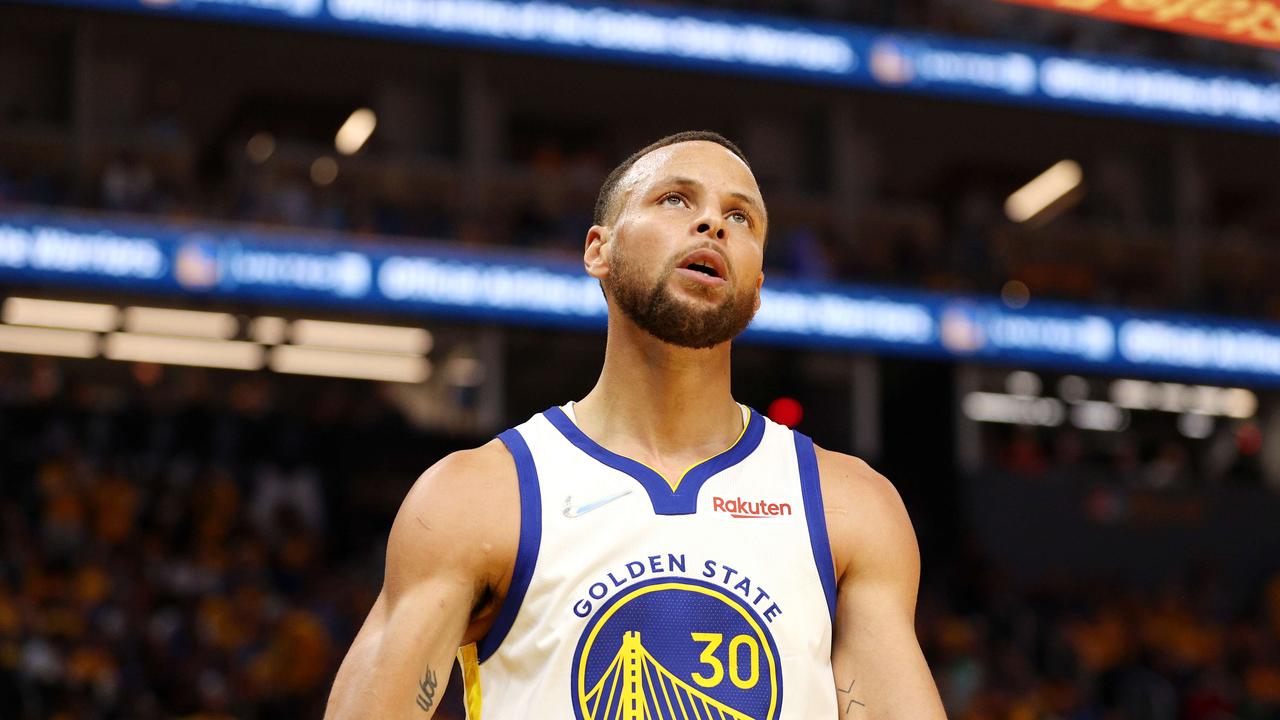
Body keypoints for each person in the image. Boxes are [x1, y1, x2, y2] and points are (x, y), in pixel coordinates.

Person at [325, 131, 946, 719]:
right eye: (675, 199)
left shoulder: (849, 504)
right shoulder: (479, 495)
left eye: (741, 217)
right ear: (599, 249)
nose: (712, 224)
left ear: (756, 288)